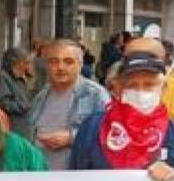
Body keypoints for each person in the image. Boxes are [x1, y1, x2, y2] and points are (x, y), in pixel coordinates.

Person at [70, 52, 174, 180]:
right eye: (132, 85)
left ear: (163, 89)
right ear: (119, 88)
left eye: (149, 85)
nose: (140, 91)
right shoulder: (93, 128)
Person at [25, 39, 111, 171]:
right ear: (46, 65)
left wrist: (72, 138)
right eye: (54, 61)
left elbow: (110, 134)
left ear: (80, 65)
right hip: (41, 176)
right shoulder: (40, 97)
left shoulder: (96, 94)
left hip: (76, 178)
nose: (60, 67)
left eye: (68, 61)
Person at [0, 46, 34, 134]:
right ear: (14, 62)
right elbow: (2, 103)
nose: (26, 66)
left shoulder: (19, 77)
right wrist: (24, 106)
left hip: (23, 128)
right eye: (24, 62)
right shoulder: (2, 77)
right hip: (12, 128)